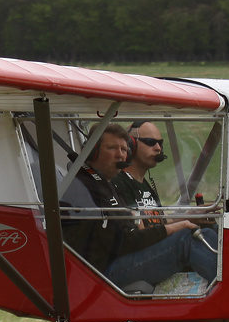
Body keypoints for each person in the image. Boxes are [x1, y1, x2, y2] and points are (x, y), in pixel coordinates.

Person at [62, 125, 218, 291]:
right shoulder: (88, 185)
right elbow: (128, 240)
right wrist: (178, 226)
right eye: (112, 148)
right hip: (102, 271)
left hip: (116, 259)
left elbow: (132, 231)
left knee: (209, 229)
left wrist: (183, 221)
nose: (120, 154)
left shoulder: (100, 182)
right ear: (93, 151)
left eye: (123, 149)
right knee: (187, 240)